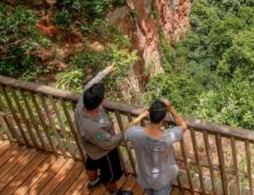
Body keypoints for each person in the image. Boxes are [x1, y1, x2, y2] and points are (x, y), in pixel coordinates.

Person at [74, 64, 134, 195]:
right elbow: (108, 144)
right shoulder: (94, 128)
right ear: (100, 102)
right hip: (102, 152)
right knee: (109, 175)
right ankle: (114, 192)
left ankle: (93, 181)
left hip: (89, 147)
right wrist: (126, 131)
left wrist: (105, 71)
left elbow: (90, 85)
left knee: (91, 164)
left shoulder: (82, 103)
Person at [125, 98, 188, 195]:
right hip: (161, 180)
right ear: (163, 119)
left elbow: (127, 129)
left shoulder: (136, 133)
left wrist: (140, 116)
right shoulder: (167, 137)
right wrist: (170, 108)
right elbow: (183, 125)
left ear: (149, 115)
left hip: (144, 176)